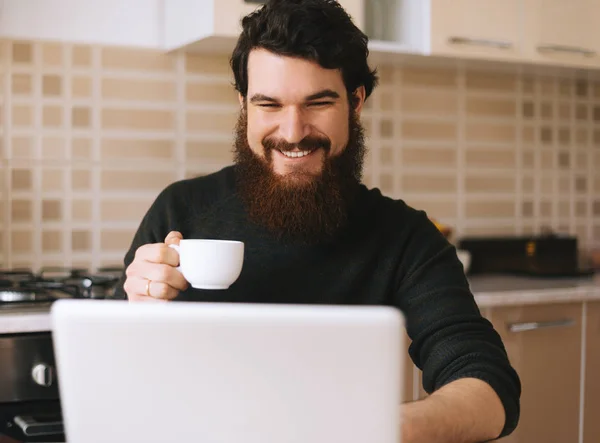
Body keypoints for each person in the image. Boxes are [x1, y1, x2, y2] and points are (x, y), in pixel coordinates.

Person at [114, 0, 521, 441]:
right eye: (268, 104)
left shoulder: (404, 238)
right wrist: (135, 315)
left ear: (356, 101)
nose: (292, 131)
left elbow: (487, 386)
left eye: (318, 102)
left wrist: (382, 429)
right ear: (243, 105)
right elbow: (110, 375)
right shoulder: (180, 211)